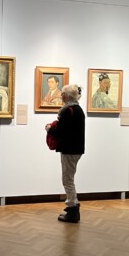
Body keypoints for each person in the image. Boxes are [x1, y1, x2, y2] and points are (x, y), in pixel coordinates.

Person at [45, 84, 85, 223]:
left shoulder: (69, 111)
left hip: (70, 149)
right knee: (69, 178)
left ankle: (73, 210)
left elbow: (62, 132)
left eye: (62, 93)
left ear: (68, 96)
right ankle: (73, 206)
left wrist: (49, 129)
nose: (61, 95)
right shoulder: (77, 109)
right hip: (75, 149)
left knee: (67, 180)